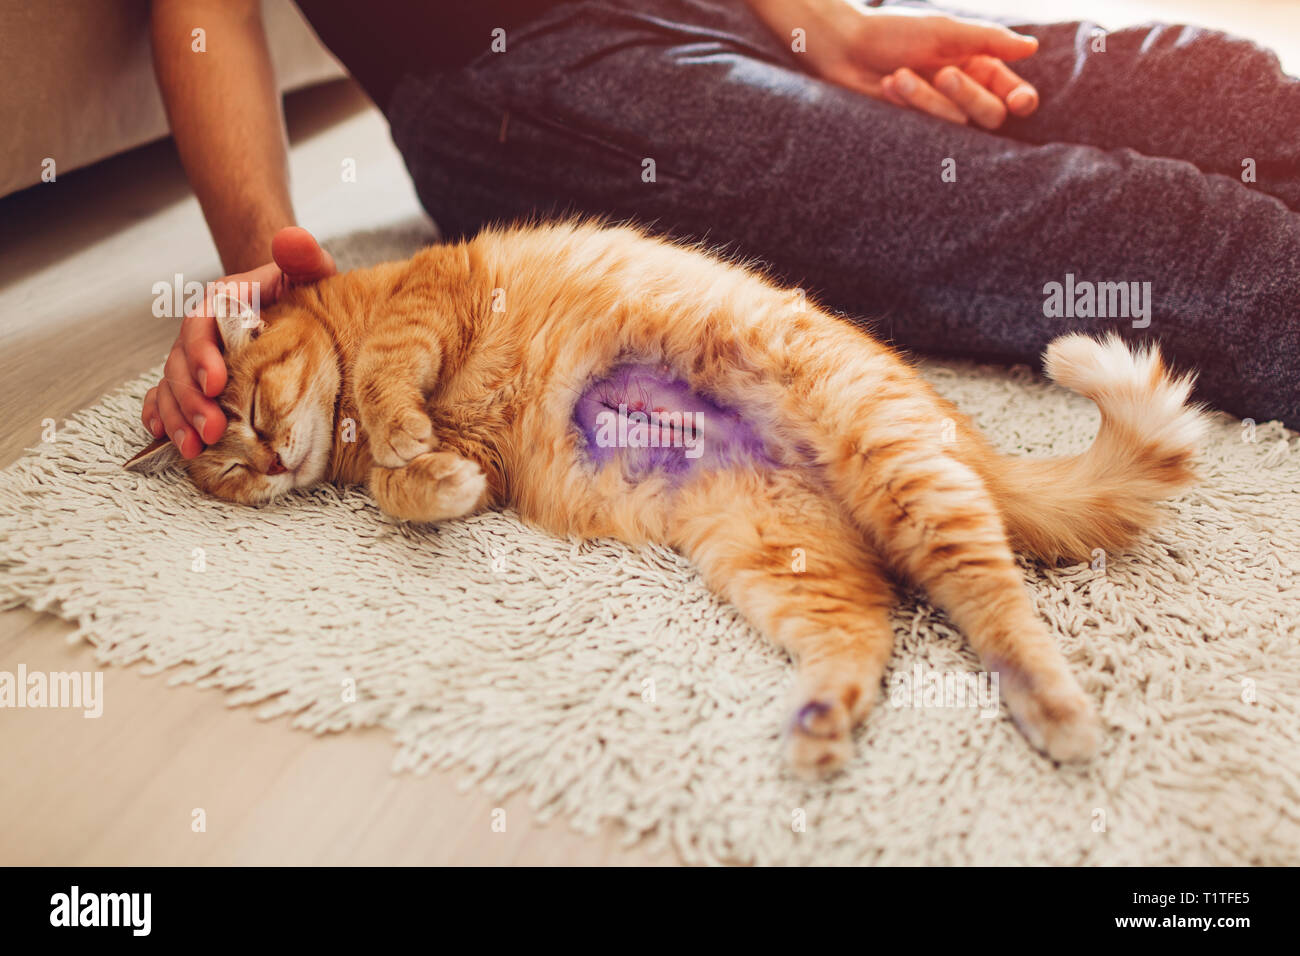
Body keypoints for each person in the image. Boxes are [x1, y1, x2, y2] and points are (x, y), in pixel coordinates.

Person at [142, 0, 1300, 457]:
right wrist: (260, 244)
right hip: (531, 82)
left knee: (1202, 81)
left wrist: (825, 31)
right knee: (1061, 214)